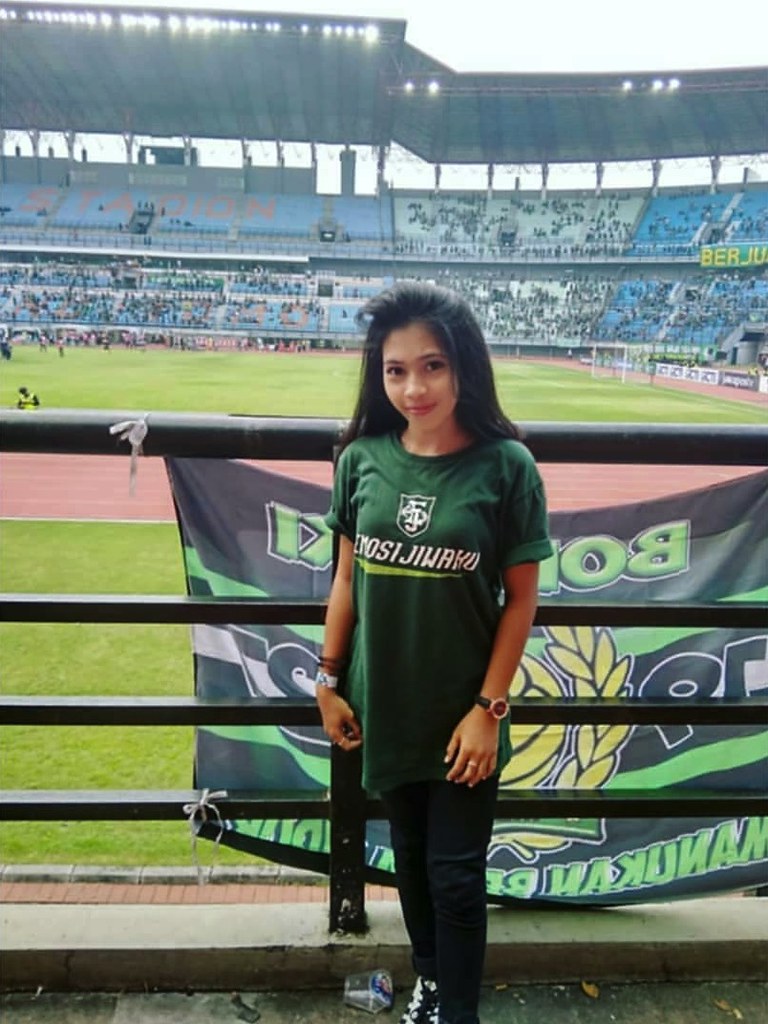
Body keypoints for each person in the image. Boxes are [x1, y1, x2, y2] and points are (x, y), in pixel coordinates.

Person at [316, 282, 553, 1024]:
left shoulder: (506, 466)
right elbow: (346, 578)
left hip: (464, 714)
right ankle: (429, 982)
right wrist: (326, 679)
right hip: (384, 703)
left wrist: (488, 709)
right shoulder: (361, 461)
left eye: (432, 367)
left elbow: (521, 600)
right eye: (396, 370)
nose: (413, 388)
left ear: (463, 369)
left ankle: (459, 1015)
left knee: (455, 875)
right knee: (412, 862)